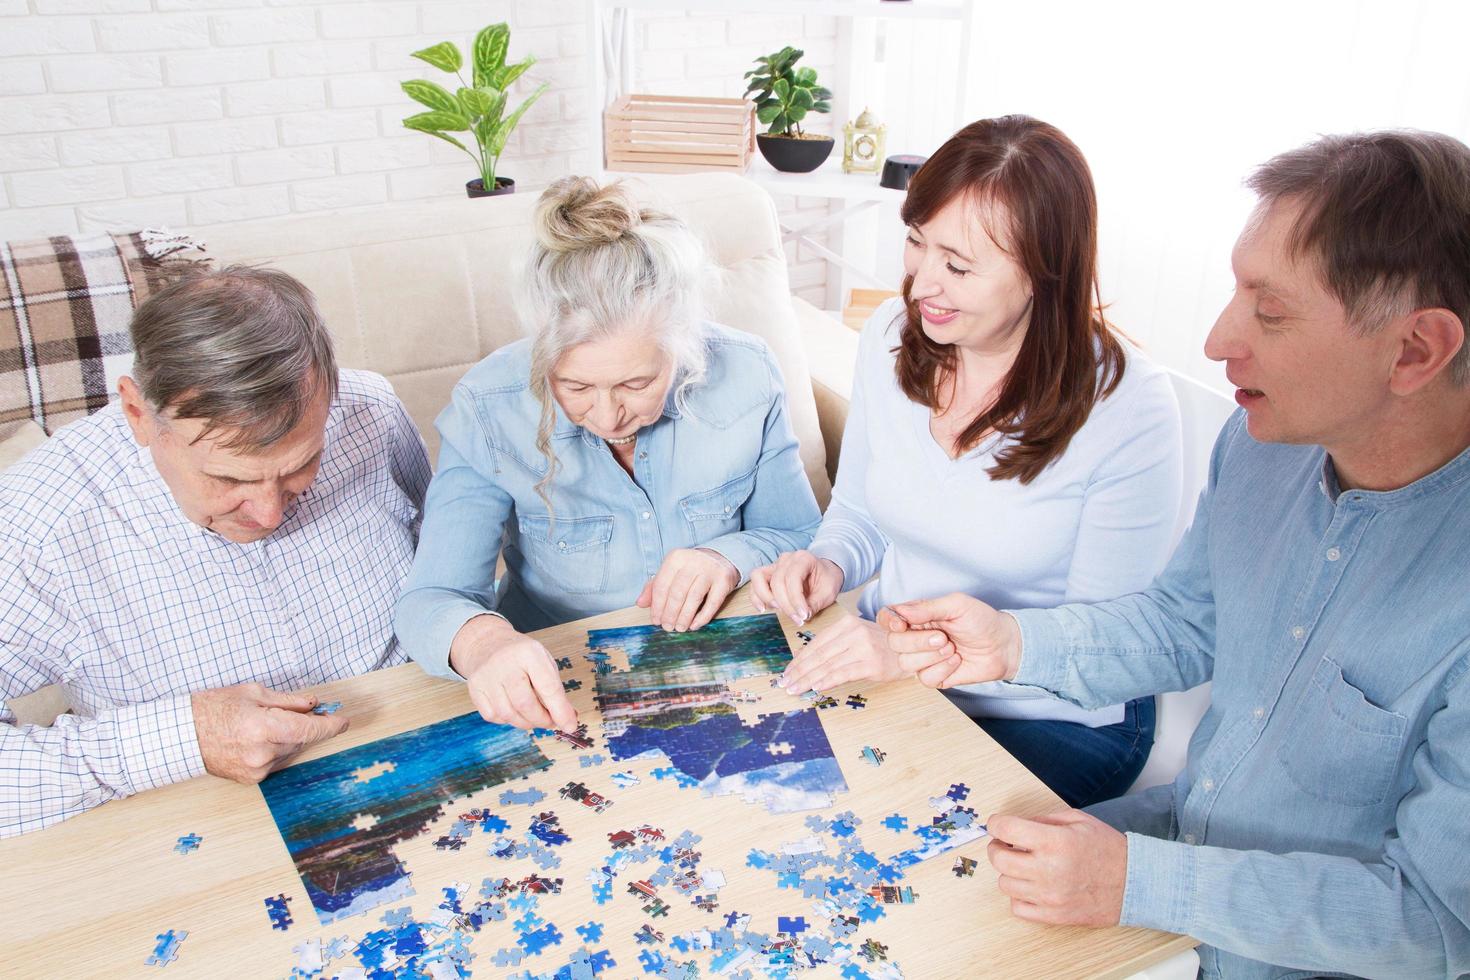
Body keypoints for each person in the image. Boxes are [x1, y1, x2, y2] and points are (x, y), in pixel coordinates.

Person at [884, 130, 1470, 978]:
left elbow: (1438, 920)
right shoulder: (1263, 442)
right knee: (913, 901)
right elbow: (1186, 624)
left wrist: (1140, 881)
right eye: (1236, 289)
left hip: (1292, 952)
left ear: (1415, 350)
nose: (1218, 338)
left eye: (1269, 311)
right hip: (1172, 860)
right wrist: (1012, 644)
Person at [751, 115, 1183, 807]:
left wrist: (914, 661)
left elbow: (1106, 645)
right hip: (894, 667)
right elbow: (862, 507)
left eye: (957, 266)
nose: (922, 285)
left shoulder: (1129, 406)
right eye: (916, 244)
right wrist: (827, 562)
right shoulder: (893, 337)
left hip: (1055, 715)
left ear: (1043, 274)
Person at [0, 266, 431, 837]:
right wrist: (184, 738)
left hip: (423, 753)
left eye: (299, 466)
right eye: (227, 478)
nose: (270, 514)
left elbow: (443, 566)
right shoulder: (36, 526)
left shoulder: (370, 411)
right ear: (138, 414)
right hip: (204, 823)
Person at [395, 176, 822, 732]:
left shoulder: (747, 374)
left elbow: (803, 537)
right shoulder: (488, 407)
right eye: (574, 387)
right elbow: (431, 598)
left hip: (728, 666)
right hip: (564, 691)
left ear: (684, 344)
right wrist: (484, 643)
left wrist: (728, 556)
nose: (607, 416)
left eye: (636, 384)